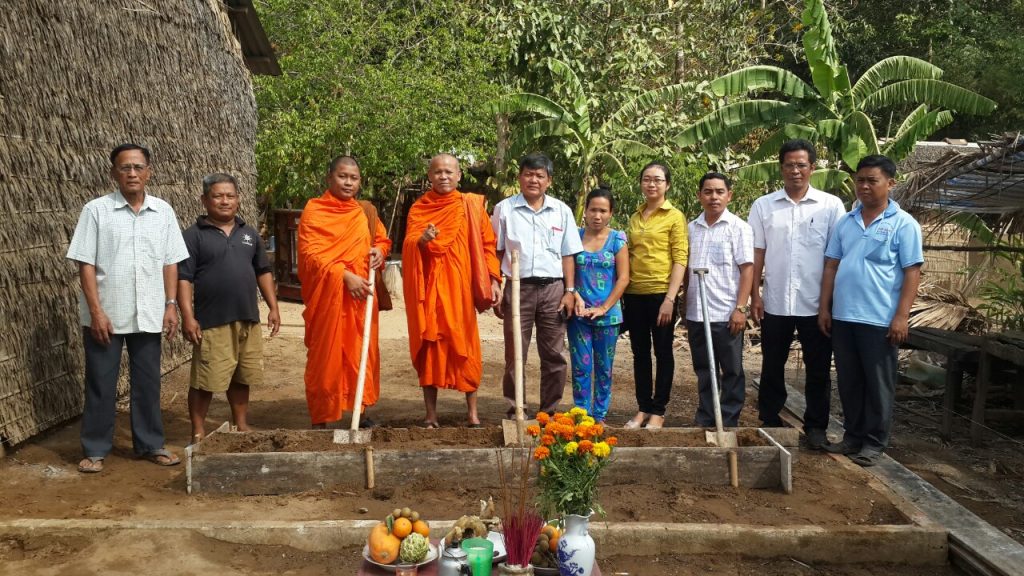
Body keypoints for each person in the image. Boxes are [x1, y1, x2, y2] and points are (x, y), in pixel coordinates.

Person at [66, 143, 190, 474]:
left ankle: (151, 444)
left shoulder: (163, 211)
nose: (132, 173)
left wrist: (171, 304)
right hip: (105, 314)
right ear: (113, 174)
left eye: (138, 167)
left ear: (149, 172)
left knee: (148, 383)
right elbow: (85, 264)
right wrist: (96, 311)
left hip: (149, 312)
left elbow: (170, 263)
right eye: (125, 168)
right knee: (100, 383)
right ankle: (95, 448)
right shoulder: (96, 211)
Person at [818, 155, 923, 466]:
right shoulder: (846, 222)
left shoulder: (904, 225)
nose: (863, 186)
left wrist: (901, 316)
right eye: (860, 179)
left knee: (878, 384)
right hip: (844, 317)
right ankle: (852, 436)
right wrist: (825, 308)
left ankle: (874, 443)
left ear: (890, 184)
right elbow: (831, 266)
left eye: (871, 180)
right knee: (849, 381)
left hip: (879, 319)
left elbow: (912, 272)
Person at [748, 139, 845, 449]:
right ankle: (770, 418)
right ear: (781, 168)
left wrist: (828, 303)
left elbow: (835, 258)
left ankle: (816, 427)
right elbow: (757, 253)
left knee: (818, 368)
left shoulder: (831, 206)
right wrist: (755, 296)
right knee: (772, 363)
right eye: (789, 164)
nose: (795, 170)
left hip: (816, 303)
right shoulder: (764, 206)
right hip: (775, 301)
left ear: (812, 168)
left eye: (801, 164)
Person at [178, 173, 281, 444]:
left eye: (230, 196)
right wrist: (188, 316)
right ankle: (198, 430)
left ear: (238, 200)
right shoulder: (192, 236)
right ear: (205, 200)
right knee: (205, 379)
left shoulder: (249, 234)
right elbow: (184, 279)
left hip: (247, 316)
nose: (225, 201)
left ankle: (241, 423)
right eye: (218, 195)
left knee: (242, 374)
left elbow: (263, 271)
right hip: (213, 320)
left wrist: (273, 307)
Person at [402, 154, 501, 428]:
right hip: (430, 290)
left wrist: (494, 279)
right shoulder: (419, 208)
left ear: (459, 176)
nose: (443, 177)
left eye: (448, 172)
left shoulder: (471, 205)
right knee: (430, 346)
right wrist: (421, 241)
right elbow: (409, 243)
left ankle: (472, 413)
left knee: (465, 346)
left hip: (460, 291)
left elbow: (487, 245)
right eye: (437, 172)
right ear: (429, 176)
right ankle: (430, 415)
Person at [297, 155, 391, 429]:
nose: (348, 182)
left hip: (361, 299)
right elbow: (310, 255)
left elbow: (382, 239)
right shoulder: (315, 210)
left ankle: (360, 412)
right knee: (326, 358)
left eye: (354, 178)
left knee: (361, 353)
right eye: (342, 176)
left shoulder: (364, 212)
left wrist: (380, 252)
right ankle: (322, 417)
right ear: (329, 178)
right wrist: (343, 275)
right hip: (330, 299)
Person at [491, 152, 584, 417]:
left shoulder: (561, 211)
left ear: (549, 181)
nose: (533, 180)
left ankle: (549, 412)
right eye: (528, 174)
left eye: (539, 175)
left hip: (553, 289)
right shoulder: (504, 209)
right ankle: (516, 408)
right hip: (518, 287)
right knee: (515, 353)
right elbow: (496, 251)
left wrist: (569, 290)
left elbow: (568, 254)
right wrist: (496, 283)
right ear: (519, 178)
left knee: (554, 354)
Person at [683, 173, 753, 428]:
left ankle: (729, 418)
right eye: (708, 192)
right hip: (697, 312)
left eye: (719, 192)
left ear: (729, 195)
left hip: (726, 312)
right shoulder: (691, 228)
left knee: (732, 370)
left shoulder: (739, 228)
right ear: (700, 195)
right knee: (703, 368)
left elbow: (747, 269)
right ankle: (707, 416)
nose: (714, 197)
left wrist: (740, 308)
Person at [622, 161, 687, 430]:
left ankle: (659, 410)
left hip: (662, 295)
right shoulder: (635, 217)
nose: (651, 184)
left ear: (667, 185)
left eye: (658, 180)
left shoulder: (674, 216)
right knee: (639, 353)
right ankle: (642, 408)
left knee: (662, 351)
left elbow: (680, 258)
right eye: (647, 179)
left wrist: (670, 299)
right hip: (634, 294)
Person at [568, 187, 630, 424]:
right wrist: (574, 294)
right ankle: (581, 415)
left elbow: (624, 278)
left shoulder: (617, 239)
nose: (597, 215)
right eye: (593, 209)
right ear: (585, 211)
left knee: (604, 368)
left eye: (603, 211)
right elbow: (568, 270)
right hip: (579, 314)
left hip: (608, 316)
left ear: (611, 213)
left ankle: (599, 416)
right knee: (581, 368)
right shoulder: (574, 236)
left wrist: (604, 307)